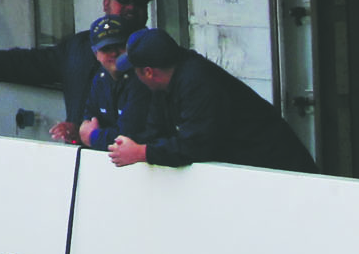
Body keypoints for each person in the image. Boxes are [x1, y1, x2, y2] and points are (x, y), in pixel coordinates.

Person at [0, 0, 152, 143]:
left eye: (139, 2)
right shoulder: (78, 46)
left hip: (137, 161)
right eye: (123, 0)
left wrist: (90, 135)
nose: (131, 7)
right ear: (106, 4)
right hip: (83, 156)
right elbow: (36, 62)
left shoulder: (155, 52)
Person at [106, 29, 317, 173]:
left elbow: (196, 145)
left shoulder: (197, 81)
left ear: (149, 72)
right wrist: (135, 145)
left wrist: (142, 152)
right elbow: (156, 132)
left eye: (136, 72)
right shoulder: (165, 85)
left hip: (276, 166)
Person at [71, 16, 138, 150]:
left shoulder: (140, 79)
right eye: (106, 48)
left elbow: (129, 136)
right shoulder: (100, 79)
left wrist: (93, 136)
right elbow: (88, 119)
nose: (114, 53)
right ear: (96, 53)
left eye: (119, 46)